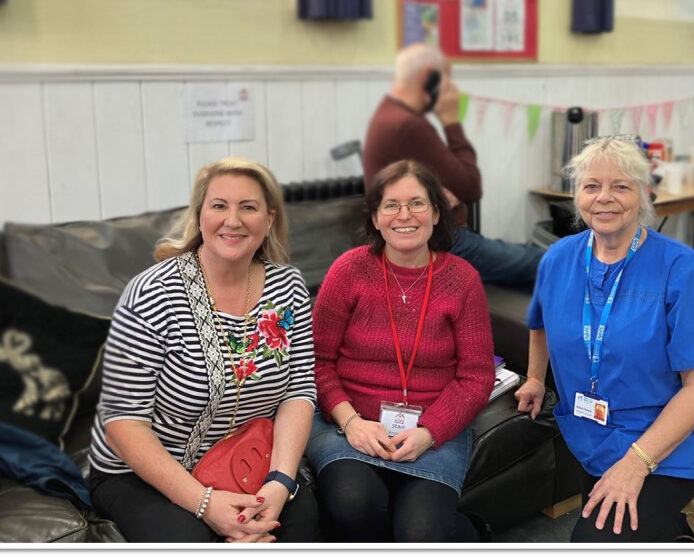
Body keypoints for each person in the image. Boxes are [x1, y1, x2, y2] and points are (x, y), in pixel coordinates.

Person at [515, 137, 694, 543]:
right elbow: (539, 323)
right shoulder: (558, 259)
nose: (604, 198)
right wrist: (536, 379)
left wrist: (636, 463)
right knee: (615, 527)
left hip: (668, 439)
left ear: (647, 193)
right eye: (591, 186)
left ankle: (685, 509)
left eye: (622, 186)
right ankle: (692, 515)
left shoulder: (682, 270)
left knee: (593, 544)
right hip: (593, 430)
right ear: (576, 195)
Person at [88, 157, 318, 543]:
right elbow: (123, 421)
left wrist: (280, 482)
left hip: (248, 459)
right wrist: (205, 503)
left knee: (301, 525)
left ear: (270, 219)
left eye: (248, 207)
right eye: (219, 205)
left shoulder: (289, 288)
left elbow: (299, 390)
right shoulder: (151, 294)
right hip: (145, 472)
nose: (233, 220)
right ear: (199, 216)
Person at [305, 160, 495, 542]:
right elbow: (316, 362)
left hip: (432, 427)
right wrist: (351, 423)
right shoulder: (348, 271)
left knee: (421, 533)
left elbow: (476, 376)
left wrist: (430, 432)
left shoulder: (462, 279)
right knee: (351, 504)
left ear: (436, 213)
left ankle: (470, 532)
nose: (404, 215)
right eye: (391, 205)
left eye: (417, 203)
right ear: (375, 217)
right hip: (348, 425)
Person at [363, 43, 544, 288]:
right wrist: (451, 120)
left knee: (530, 264)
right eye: (446, 80)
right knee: (548, 260)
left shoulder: (388, 114)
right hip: (446, 242)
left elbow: (448, 184)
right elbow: (470, 187)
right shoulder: (408, 126)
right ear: (430, 78)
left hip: (426, 239)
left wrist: (434, 192)